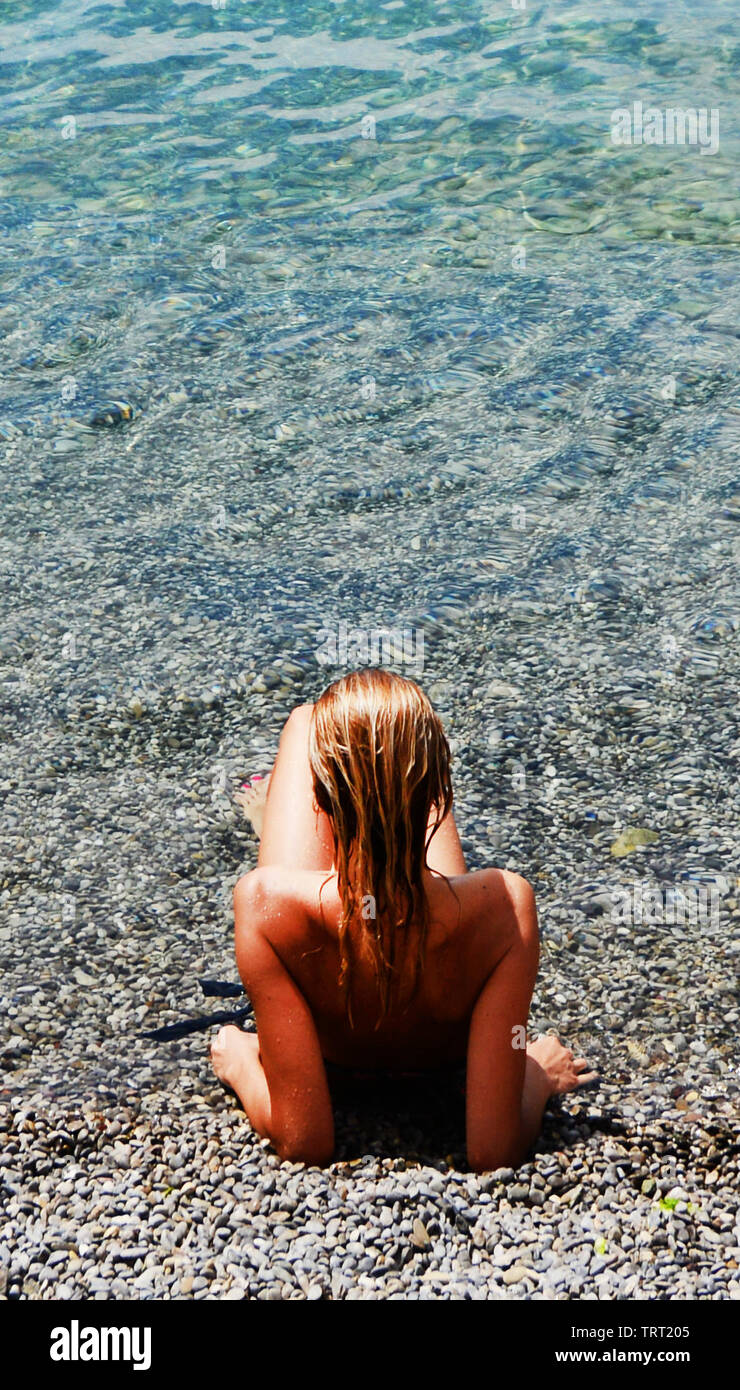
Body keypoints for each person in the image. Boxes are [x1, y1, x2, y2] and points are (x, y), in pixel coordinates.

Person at [211, 668, 597, 1169]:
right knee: (398, 745)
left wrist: (243, 1063)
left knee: (308, 723)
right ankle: (392, 785)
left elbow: (304, 1140)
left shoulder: (263, 905)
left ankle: (338, 794)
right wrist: (539, 1078)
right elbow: (494, 1148)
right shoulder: (505, 907)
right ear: (441, 794)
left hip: (335, 1056)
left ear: (320, 803)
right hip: (435, 1062)